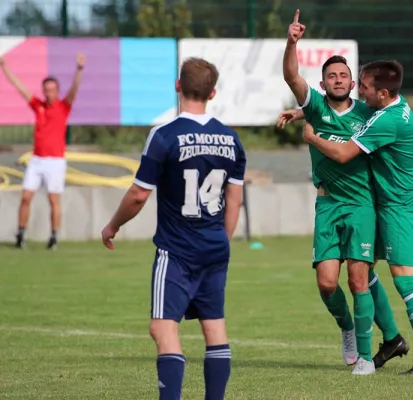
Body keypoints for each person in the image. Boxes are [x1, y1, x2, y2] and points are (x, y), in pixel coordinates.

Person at [101, 57, 245, 400]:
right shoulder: (230, 138)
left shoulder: (164, 135)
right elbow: (234, 200)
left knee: (162, 328)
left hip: (177, 250)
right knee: (214, 328)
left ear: (178, 86)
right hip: (215, 247)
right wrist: (220, 243)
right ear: (213, 92)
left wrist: (112, 225)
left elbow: (138, 195)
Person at [283, 9, 408, 375]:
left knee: (358, 280)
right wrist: (292, 43)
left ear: (353, 84)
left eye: (343, 75)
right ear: (322, 85)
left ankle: (366, 359)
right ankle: (348, 329)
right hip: (327, 204)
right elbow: (292, 75)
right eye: (331, 76)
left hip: (360, 206)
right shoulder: (317, 108)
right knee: (325, 284)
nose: (337, 80)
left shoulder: (368, 115)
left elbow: (396, 117)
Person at [302, 60, 413, 375]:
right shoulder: (394, 105)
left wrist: (311, 137)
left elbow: (341, 153)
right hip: (382, 203)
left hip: (397, 207)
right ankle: (392, 339)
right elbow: (349, 116)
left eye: (364, 87)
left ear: (382, 92)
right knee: (363, 273)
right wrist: (303, 111)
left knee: (405, 279)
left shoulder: (387, 121)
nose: (359, 91)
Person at [0, 54, 85, 250]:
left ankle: (54, 236)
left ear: (57, 91)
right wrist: (4, 67)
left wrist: (79, 70)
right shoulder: (37, 105)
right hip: (37, 159)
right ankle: (20, 233)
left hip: (55, 161)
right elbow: (19, 87)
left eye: (52, 90)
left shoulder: (63, 107)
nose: (49, 94)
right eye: (46, 90)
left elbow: (74, 90)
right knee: (26, 196)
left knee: (53, 199)